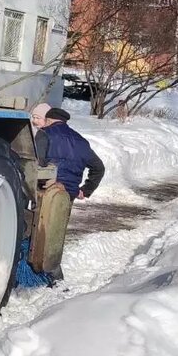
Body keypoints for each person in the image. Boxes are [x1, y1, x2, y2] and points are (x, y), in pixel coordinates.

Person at [30, 106, 105, 282]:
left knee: (35, 233)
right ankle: (55, 276)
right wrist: (85, 190)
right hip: (66, 197)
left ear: (48, 120)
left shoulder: (44, 134)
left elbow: (37, 164)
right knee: (55, 235)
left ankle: (40, 275)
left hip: (45, 192)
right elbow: (99, 168)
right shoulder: (81, 141)